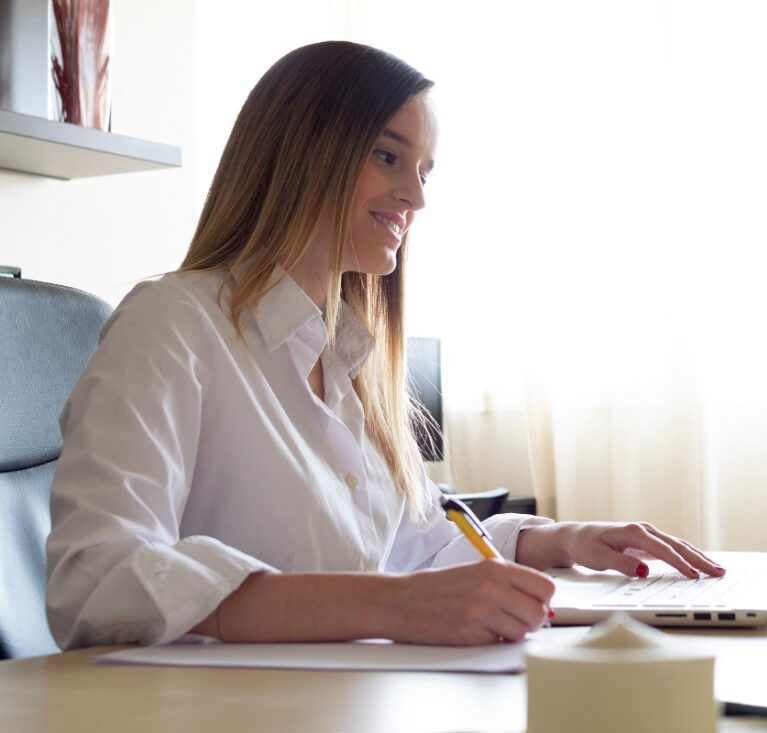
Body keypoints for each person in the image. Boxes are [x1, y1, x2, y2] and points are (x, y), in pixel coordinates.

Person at [45, 40, 724, 649]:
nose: (416, 198)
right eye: (388, 155)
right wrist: (390, 605)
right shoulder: (173, 325)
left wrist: (564, 540)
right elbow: (97, 576)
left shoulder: (348, 356)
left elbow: (411, 543)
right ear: (301, 151)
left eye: (425, 169)